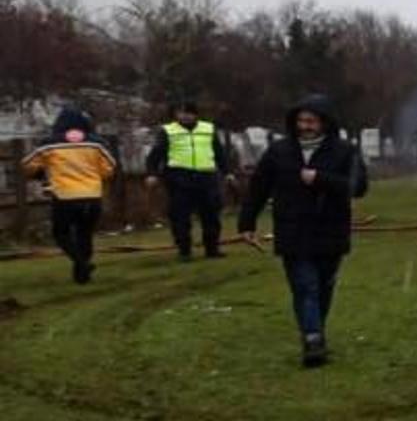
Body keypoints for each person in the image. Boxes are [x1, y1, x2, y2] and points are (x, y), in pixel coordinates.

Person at [238, 95, 368, 368]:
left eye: (311, 121)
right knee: (304, 285)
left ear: (324, 122)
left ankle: (315, 330)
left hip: (330, 229)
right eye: (301, 120)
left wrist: (321, 179)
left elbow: (358, 187)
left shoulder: (345, 151)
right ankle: (312, 339)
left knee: (323, 287)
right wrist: (247, 223)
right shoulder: (279, 151)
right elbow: (259, 187)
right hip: (292, 229)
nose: (305, 126)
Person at [20, 107, 116, 284]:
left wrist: (41, 172)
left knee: (61, 234)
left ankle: (81, 263)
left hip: (64, 196)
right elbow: (109, 169)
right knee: (84, 234)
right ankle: (82, 275)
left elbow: (27, 165)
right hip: (92, 196)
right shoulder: (97, 143)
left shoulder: (49, 144)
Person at [145, 101, 236, 261]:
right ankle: (184, 250)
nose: (184, 116)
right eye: (180, 112)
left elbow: (219, 153)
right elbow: (156, 154)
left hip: (206, 175)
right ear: (175, 114)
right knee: (180, 216)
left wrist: (228, 172)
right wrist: (152, 173)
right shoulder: (168, 131)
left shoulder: (208, 129)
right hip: (179, 177)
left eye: (188, 112)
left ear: (195, 114)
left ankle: (212, 249)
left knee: (211, 215)